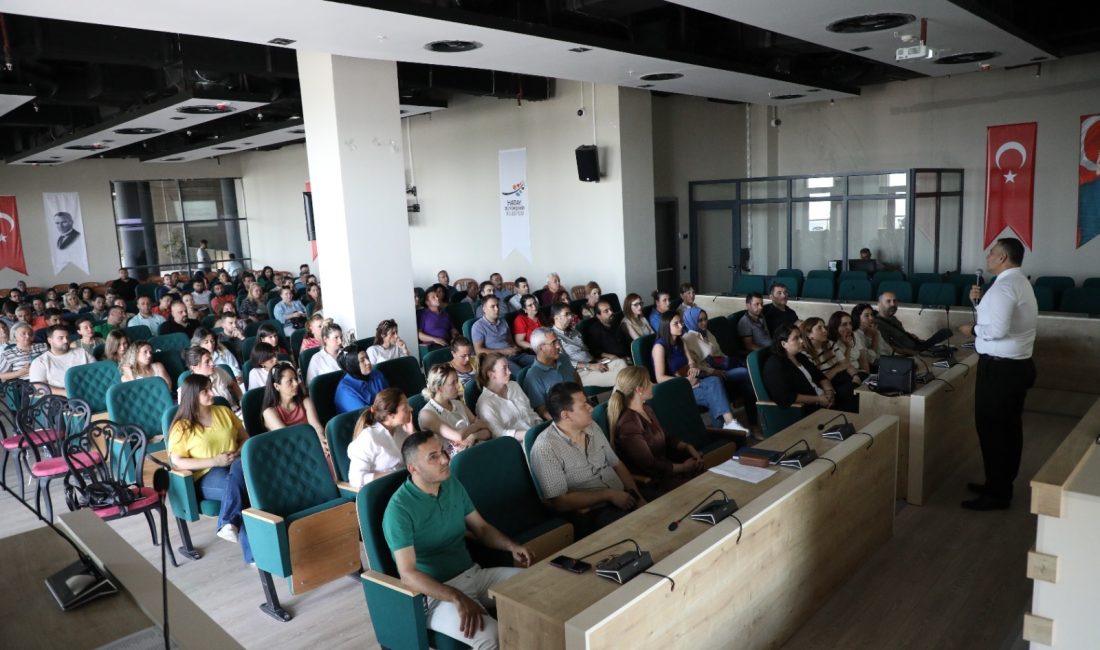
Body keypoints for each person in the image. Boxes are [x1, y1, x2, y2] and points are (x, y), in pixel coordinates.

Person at [384, 431, 533, 650]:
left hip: (474, 574)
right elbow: (408, 575)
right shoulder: (399, 510)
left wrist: (511, 546)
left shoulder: (451, 484)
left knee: (539, 590)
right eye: (433, 457)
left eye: (443, 451)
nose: (445, 459)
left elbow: (481, 528)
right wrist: (457, 597)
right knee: (492, 637)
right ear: (413, 469)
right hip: (436, 595)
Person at [957, 237, 1038, 511]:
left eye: (992, 253)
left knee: (994, 430)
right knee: (1007, 429)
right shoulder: (1016, 282)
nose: (988, 257)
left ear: (1003, 257)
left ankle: (998, 493)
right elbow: (996, 318)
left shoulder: (1005, 287)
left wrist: (973, 330)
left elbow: (997, 330)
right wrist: (977, 303)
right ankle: (998, 483)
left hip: (1002, 370)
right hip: (1012, 367)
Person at [529, 382, 647, 535]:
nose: (591, 407)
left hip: (624, 497)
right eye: (583, 405)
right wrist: (609, 494)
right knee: (640, 530)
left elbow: (617, 464)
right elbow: (559, 502)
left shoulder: (591, 426)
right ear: (566, 415)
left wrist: (637, 497)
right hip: (594, 512)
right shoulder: (545, 447)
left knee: (666, 507)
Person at [168, 373, 251, 562]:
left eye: (210, 388)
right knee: (248, 492)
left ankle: (228, 522)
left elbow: (245, 437)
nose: (211, 393)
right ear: (193, 396)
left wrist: (237, 452)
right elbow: (178, 460)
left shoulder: (223, 411)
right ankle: (252, 554)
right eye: (205, 391)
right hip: (205, 475)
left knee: (240, 474)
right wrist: (215, 461)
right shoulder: (182, 426)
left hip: (235, 467)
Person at [608, 366, 704, 496]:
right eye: (649, 382)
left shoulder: (646, 409)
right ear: (639, 390)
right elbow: (650, 465)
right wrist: (683, 467)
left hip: (668, 471)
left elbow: (665, 436)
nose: (652, 385)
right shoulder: (628, 424)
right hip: (654, 483)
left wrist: (687, 447)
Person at [653, 311, 747, 432]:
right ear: (666, 326)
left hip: (692, 382)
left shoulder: (681, 341)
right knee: (714, 392)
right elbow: (660, 378)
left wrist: (692, 368)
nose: (681, 326)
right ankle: (727, 427)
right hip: (676, 387)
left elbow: (691, 362)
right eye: (676, 324)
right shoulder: (659, 347)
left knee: (714, 385)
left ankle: (726, 428)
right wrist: (685, 381)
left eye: (681, 322)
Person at [762, 324, 844, 416]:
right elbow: (787, 397)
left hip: (823, 398)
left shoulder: (800, 356)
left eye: (800, 336)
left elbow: (820, 376)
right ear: (783, 344)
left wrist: (830, 393)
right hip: (806, 408)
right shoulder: (775, 366)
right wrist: (819, 399)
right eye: (796, 338)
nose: (801, 341)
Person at [261, 361, 329, 463]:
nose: (296, 383)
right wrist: (315, 445)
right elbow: (289, 439)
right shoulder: (269, 412)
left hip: (313, 444)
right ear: (276, 386)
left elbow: (316, 426)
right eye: (290, 381)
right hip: (291, 454)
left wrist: (322, 441)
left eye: (296, 379)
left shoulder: (305, 401)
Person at [347, 387, 414, 488]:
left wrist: (412, 434)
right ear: (391, 415)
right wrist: (392, 474)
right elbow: (356, 479)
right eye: (405, 408)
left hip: (406, 484)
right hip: (384, 490)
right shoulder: (368, 438)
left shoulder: (402, 429)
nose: (411, 409)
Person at [419, 364, 492, 454]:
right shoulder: (426, 414)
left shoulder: (458, 404)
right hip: (456, 460)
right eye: (453, 383)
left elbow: (487, 431)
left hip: (476, 450)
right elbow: (458, 436)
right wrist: (477, 426)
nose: (458, 386)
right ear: (439, 389)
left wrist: (473, 436)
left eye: (457, 381)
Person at [550, 304, 627, 388]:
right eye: (566, 314)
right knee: (621, 377)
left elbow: (585, 351)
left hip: (593, 363)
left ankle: (618, 399)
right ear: (556, 317)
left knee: (621, 363)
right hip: (579, 372)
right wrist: (589, 366)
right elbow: (563, 362)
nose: (570, 317)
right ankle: (620, 399)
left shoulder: (574, 331)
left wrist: (596, 360)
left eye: (570, 314)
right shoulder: (553, 337)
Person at [475, 352, 542, 441]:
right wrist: (529, 434)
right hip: (519, 445)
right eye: (504, 369)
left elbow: (531, 412)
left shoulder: (514, 385)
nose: (509, 372)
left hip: (537, 435)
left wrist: (541, 429)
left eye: (508, 367)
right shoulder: (485, 403)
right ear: (491, 375)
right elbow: (498, 433)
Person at [800, 316, 859, 412]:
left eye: (825, 327)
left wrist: (855, 376)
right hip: (830, 385)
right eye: (819, 328)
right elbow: (820, 379)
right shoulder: (805, 354)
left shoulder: (830, 344)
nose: (824, 331)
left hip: (844, 377)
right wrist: (837, 369)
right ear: (809, 334)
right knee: (850, 392)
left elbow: (845, 364)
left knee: (866, 382)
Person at [522, 328, 579, 419]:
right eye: (553, 343)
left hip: (579, 408)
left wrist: (585, 400)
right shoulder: (533, 376)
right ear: (541, 348)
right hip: (564, 419)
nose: (558, 346)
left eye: (557, 341)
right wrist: (566, 423)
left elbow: (575, 376)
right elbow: (543, 411)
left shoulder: (563, 358)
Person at [875, 291, 952, 355]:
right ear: (879, 304)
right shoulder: (878, 324)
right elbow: (890, 347)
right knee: (945, 332)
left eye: (894, 301)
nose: (893, 304)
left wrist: (909, 336)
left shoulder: (892, 318)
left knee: (946, 333)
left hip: (917, 345)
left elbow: (898, 335)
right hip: (912, 352)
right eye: (888, 301)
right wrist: (916, 353)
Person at [471, 296, 531, 376]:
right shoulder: (478, 326)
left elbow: (510, 340)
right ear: (484, 309)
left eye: (497, 305)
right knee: (521, 373)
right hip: (497, 359)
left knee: (538, 362)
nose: (497, 309)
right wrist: (504, 351)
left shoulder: (503, 321)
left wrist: (515, 347)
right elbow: (479, 351)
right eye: (493, 306)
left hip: (513, 354)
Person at [28, 325, 94, 395]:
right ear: (50, 340)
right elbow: (38, 387)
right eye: (61, 338)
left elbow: (97, 370)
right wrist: (68, 393)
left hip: (89, 391)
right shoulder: (40, 362)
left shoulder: (82, 352)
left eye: (67, 337)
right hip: (60, 399)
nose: (66, 341)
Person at [182, 345, 242, 412]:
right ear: (194, 367)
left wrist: (241, 400)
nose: (212, 363)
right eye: (207, 362)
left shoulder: (219, 371)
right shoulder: (189, 387)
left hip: (234, 411)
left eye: (211, 359)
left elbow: (233, 384)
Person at [334, 345, 390, 414]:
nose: (368, 362)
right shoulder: (345, 390)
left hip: (384, 416)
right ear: (352, 364)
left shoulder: (376, 374)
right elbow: (366, 415)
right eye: (362, 360)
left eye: (367, 358)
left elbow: (391, 398)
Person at [827, 311, 870, 380]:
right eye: (844, 324)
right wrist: (848, 347)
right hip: (845, 376)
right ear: (835, 327)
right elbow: (843, 366)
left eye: (850, 323)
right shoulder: (831, 343)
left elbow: (863, 359)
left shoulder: (854, 335)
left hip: (860, 372)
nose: (849, 327)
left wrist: (868, 378)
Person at [851, 303, 887, 367]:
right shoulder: (856, 334)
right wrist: (875, 336)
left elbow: (887, 350)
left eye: (871, 315)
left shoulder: (872, 331)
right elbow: (871, 359)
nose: (871, 318)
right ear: (857, 318)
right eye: (866, 316)